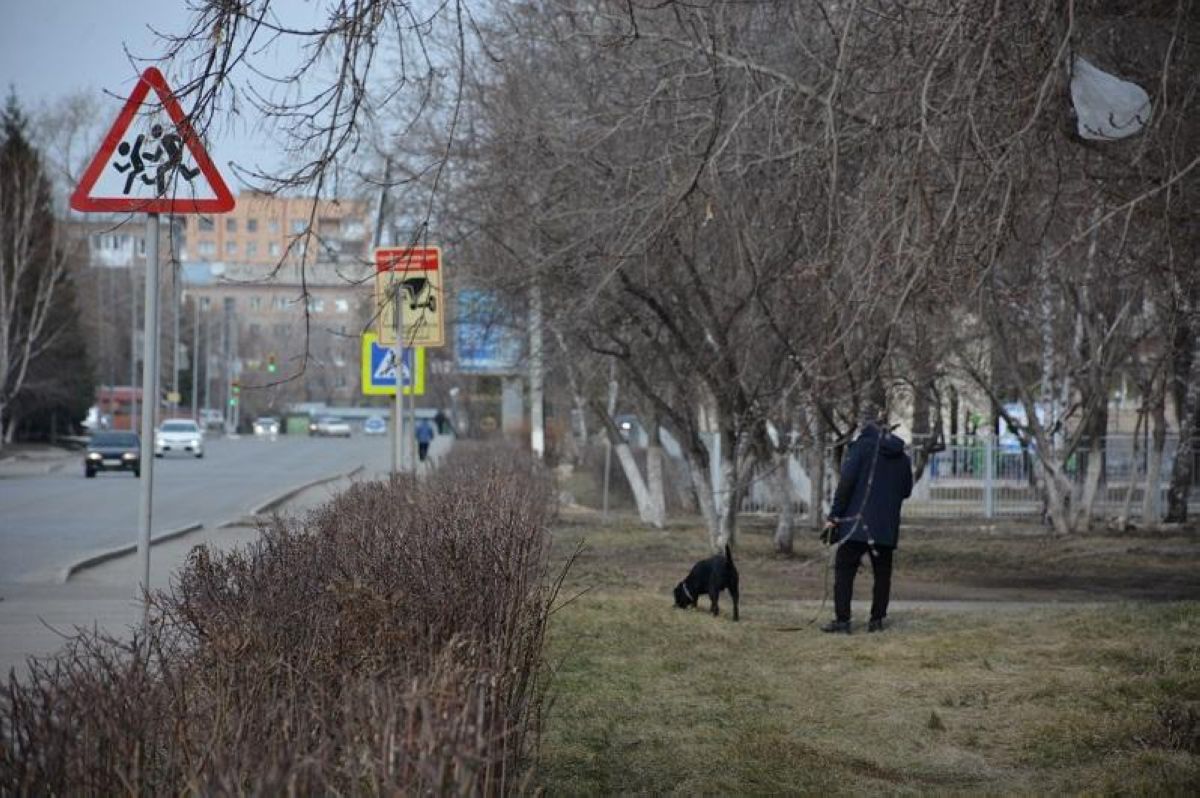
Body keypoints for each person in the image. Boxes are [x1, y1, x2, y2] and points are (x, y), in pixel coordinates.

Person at [821, 405, 913, 634]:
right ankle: (877, 620)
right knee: (882, 573)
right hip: (885, 526)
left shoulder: (861, 448)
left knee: (844, 568)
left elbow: (846, 484)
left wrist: (834, 516)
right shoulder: (901, 456)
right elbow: (906, 490)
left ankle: (843, 621)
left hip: (856, 522)